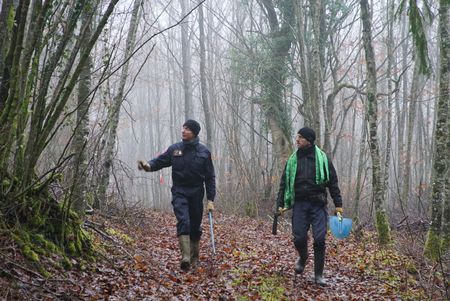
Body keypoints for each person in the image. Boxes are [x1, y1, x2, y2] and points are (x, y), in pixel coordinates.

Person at [137, 119, 216, 271]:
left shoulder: (204, 152)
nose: (183, 131)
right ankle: (185, 257)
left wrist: (211, 199)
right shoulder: (175, 149)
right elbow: (160, 161)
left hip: (197, 193)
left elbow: (210, 177)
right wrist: (148, 166)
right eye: (183, 128)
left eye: (187, 129)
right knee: (183, 221)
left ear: (194, 132)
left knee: (194, 225)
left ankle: (194, 258)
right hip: (180, 191)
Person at [276, 127, 343, 286]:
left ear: (309, 140)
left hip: (318, 205)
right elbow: (284, 183)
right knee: (299, 238)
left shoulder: (323, 158)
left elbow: (333, 182)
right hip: (299, 204)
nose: (297, 140)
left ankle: (318, 275)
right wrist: (280, 204)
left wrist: (338, 204)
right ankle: (303, 257)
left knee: (319, 239)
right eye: (297, 137)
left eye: (300, 137)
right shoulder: (293, 160)